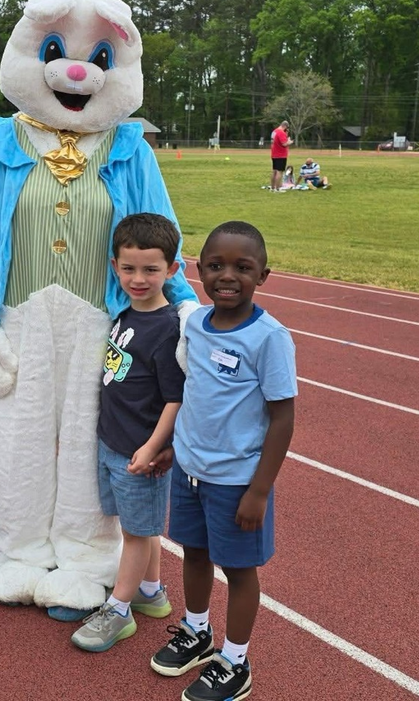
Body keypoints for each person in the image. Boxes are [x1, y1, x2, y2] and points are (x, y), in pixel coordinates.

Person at [151, 221, 297, 701]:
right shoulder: (195, 324)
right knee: (193, 553)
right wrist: (175, 446)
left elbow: (282, 418)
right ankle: (197, 632)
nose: (227, 276)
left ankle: (235, 661)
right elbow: (196, 392)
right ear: (199, 270)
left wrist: (258, 490)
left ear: (264, 275)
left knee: (237, 569)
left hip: (237, 480)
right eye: (216, 266)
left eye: (242, 267)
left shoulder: (269, 338)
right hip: (191, 471)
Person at [71, 213, 186, 653]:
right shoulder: (123, 313)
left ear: (173, 270)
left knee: (137, 534)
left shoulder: (170, 329)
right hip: (113, 443)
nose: (138, 279)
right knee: (140, 527)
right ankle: (150, 593)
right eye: (129, 268)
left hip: (140, 452)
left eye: (151, 270)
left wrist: (154, 446)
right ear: (115, 266)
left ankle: (118, 612)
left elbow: (175, 399)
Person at [270, 121, 293, 191]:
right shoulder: (281, 132)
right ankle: (277, 189)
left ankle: (272, 187)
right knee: (279, 172)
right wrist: (290, 142)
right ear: (285, 126)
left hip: (274, 154)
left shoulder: (274, 131)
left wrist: (286, 135)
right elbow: (284, 144)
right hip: (281, 155)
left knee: (274, 171)